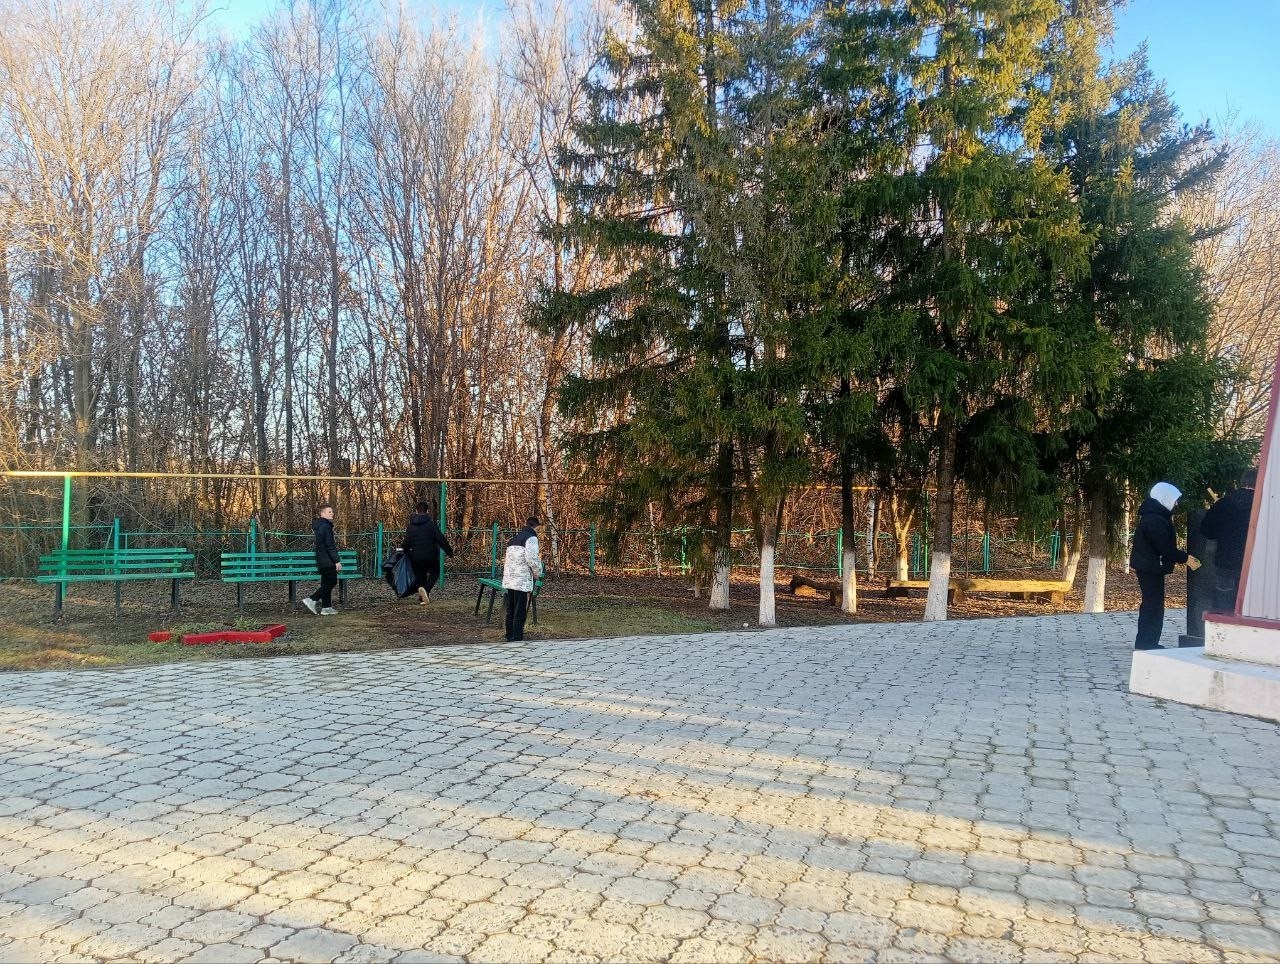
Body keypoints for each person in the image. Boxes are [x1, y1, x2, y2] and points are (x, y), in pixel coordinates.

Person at [1129, 482, 1200, 650]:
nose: (1176, 504)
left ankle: (1147, 641)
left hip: (1150, 565)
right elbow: (1164, 548)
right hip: (1150, 566)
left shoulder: (1156, 516)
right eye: (1175, 500)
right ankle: (1147, 642)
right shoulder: (1155, 519)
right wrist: (1185, 558)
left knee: (1152, 604)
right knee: (1152, 605)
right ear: (1165, 499)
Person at [1201, 468, 1257, 613]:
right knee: (1253, 611)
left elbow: (1206, 531)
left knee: (1223, 611)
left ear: (1242, 482)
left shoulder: (1223, 504)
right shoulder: (1264, 506)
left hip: (1226, 563)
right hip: (1255, 566)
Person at [402, 501, 454, 605]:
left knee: (420, 575)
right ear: (427, 511)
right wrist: (449, 552)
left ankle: (423, 597)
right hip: (430, 556)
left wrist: (401, 551)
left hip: (416, 557)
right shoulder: (431, 525)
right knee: (435, 572)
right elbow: (441, 539)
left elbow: (407, 542)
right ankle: (426, 590)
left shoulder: (411, 526)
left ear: (416, 511)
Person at [501, 516, 544, 642]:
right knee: (519, 609)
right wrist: (537, 572)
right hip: (522, 579)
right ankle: (517, 636)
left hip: (510, 578)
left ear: (526, 524)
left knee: (511, 608)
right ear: (536, 527)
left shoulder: (514, 538)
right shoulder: (531, 538)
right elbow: (532, 558)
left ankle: (509, 635)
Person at [304, 503, 341, 616]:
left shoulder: (320, 526)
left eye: (332, 511)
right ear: (322, 513)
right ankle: (312, 599)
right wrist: (336, 560)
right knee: (332, 582)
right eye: (329, 512)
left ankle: (326, 608)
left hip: (321, 559)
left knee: (326, 583)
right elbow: (330, 545)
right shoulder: (326, 527)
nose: (332, 513)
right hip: (328, 560)